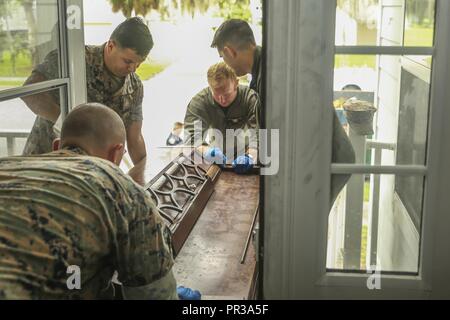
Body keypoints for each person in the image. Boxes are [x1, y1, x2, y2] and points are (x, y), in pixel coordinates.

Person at [0, 103, 178, 300]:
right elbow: (154, 295)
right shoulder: (118, 185)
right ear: (115, 154)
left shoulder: (6, 165)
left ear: (57, 146)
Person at [212, 19, 355, 208]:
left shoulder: (272, 74)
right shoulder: (267, 66)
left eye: (223, 56)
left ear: (230, 51)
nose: (225, 62)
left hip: (325, 159)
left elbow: (280, 134)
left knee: (305, 224)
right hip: (317, 157)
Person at [21, 17, 151, 185]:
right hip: (44, 165)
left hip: (90, 179)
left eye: (139, 64)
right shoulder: (73, 60)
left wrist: (143, 169)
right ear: (111, 46)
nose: (133, 69)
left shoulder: (134, 86)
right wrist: (68, 123)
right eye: (128, 61)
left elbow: (135, 137)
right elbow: (30, 92)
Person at [183, 62, 259, 174]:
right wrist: (207, 151)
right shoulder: (199, 102)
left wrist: (250, 157)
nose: (222, 100)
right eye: (216, 95)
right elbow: (192, 138)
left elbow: (258, 135)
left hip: (247, 153)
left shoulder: (251, 99)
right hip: (215, 160)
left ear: (236, 83)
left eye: (226, 94)